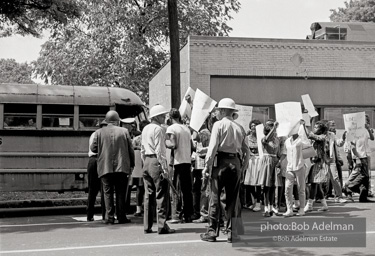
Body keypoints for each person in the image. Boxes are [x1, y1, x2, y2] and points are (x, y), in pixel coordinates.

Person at [200, 98, 250, 243]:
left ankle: (212, 232)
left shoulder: (218, 125)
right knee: (233, 200)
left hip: (220, 163)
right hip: (235, 162)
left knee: (214, 197)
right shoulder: (239, 127)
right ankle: (232, 233)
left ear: (222, 111)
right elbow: (247, 152)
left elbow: (213, 148)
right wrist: (243, 167)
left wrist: (206, 167)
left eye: (218, 111)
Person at [91, 110, 134, 224]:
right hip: (121, 167)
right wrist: (132, 164)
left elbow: (93, 148)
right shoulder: (124, 131)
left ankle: (109, 217)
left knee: (107, 193)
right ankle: (121, 216)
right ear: (117, 121)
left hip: (105, 166)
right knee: (121, 192)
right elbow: (131, 150)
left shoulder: (99, 132)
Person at [142, 105, 175, 234]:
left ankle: (147, 225)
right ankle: (162, 225)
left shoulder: (145, 129)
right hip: (156, 161)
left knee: (148, 195)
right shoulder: (159, 129)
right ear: (156, 117)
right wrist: (164, 168)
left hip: (147, 161)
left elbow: (143, 149)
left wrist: (145, 162)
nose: (164, 117)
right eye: (162, 115)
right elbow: (160, 150)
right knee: (161, 195)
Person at [165, 108, 194, 222]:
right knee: (187, 189)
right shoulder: (186, 128)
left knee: (175, 188)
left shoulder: (171, 128)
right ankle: (188, 214)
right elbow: (192, 146)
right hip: (186, 160)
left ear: (170, 118)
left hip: (177, 162)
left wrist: (165, 142)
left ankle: (175, 214)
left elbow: (173, 144)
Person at [283, 120, 310, 217]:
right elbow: (285, 153)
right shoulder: (287, 141)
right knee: (287, 188)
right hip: (289, 167)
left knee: (300, 188)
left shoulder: (301, 140)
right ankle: (289, 209)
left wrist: (304, 125)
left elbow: (308, 142)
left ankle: (302, 208)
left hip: (300, 166)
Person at [258, 120, 283, 217]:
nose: (275, 133)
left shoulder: (277, 140)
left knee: (273, 186)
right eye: (272, 131)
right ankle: (266, 208)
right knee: (266, 187)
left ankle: (272, 207)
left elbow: (279, 153)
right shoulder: (264, 139)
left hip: (275, 161)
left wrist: (279, 161)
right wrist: (274, 128)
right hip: (267, 161)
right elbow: (267, 139)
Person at [86, 120, 107, 221]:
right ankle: (105, 214)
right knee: (104, 189)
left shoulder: (93, 134)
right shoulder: (102, 135)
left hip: (91, 161)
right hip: (100, 159)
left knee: (92, 190)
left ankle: (90, 215)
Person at [243, 119, 262, 212]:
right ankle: (254, 200)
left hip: (259, 160)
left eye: (255, 125)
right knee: (248, 183)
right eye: (252, 126)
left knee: (258, 183)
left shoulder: (262, 138)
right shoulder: (247, 138)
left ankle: (258, 202)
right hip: (250, 161)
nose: (253, 127)